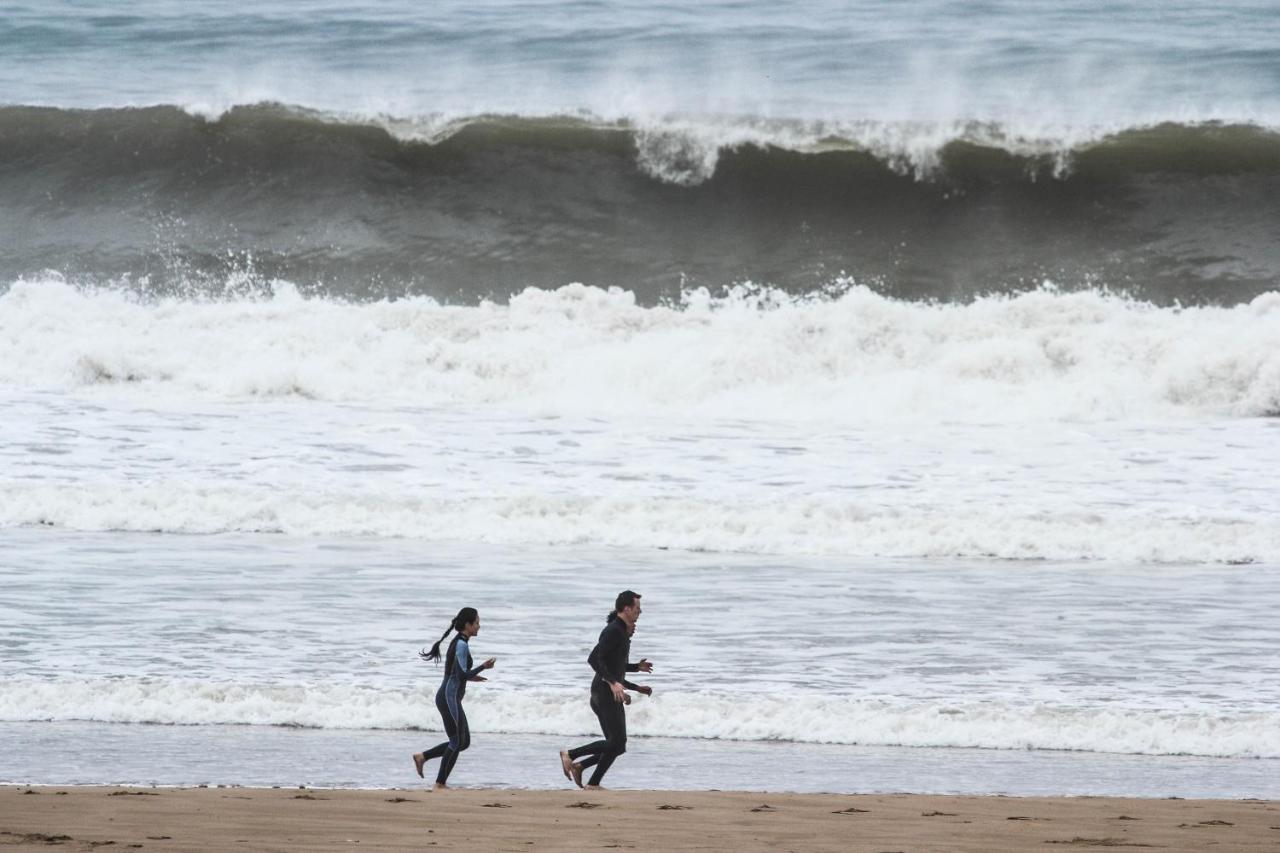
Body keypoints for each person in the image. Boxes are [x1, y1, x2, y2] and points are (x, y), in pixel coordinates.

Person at [559, 590, 653, 789]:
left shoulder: (620, 632)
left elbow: (614, 667)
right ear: (626, 609)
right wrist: (612, 683)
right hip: (603, 693)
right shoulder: (613, 631)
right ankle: (571, 755)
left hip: (607, 693)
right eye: (637, 608)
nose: (640, 612)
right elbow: (593, 659)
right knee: (616, 742)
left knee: (618, 745)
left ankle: (589, 777)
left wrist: (636, 670)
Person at [412, 607, 496, 789]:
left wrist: (473, 676)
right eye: (477, 623)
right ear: (468, 625)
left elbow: (456, 673)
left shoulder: (460, 642)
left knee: (463, 742)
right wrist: (483, 667)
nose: (479, 626)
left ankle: (423, 757)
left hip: (450, 698)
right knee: (457, 741)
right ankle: (440, 783)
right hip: (448, 698)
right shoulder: (461, 644)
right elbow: (461, 674)